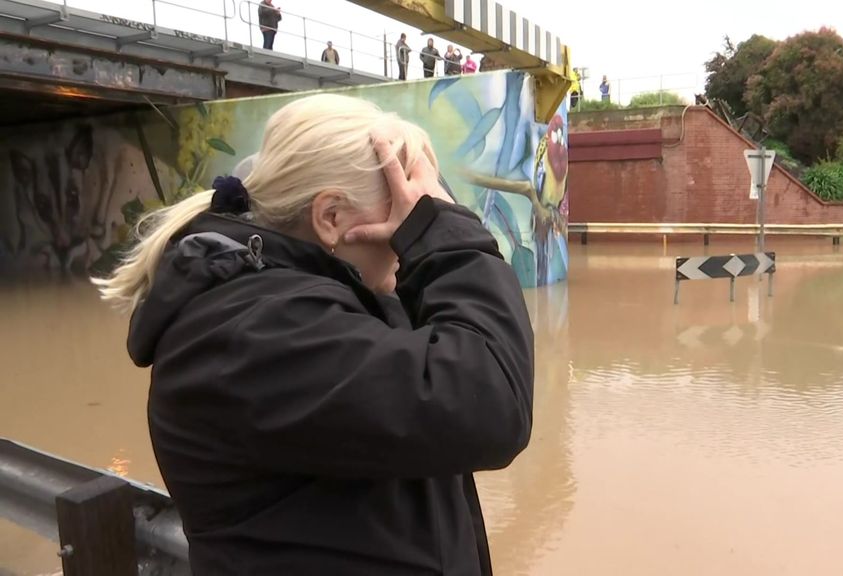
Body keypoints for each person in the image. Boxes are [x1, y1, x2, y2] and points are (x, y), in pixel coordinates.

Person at [92, 94, 534, 575]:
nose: (410, 229)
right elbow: (489, 399)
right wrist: (448, 239)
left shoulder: (304, 309)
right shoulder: (251, 335)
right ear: (331, 219)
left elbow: (436, 374)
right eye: (402, 209)